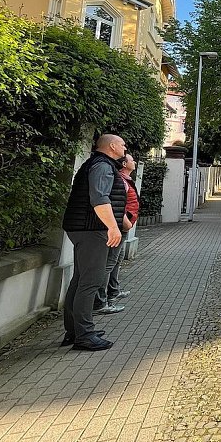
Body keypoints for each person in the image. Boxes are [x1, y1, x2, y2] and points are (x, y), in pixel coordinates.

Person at [60, 133, 128, 350]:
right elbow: (99, 198)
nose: (125, 148)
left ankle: (75, 330)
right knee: (91, 281)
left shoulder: (97, 164)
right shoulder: (102, 166)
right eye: (122, 145)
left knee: (81, 280)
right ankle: (84, 335)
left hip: (83, 227)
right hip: (92, 229)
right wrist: (112, 227)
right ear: (112, 146)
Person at [93, 153, 138, 314]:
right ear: (125, 163)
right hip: (119, 226)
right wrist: (125, 221)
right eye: (132, 160)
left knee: (116, 260)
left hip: (122, 225)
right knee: (109, 263)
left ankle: (112, 291)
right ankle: (100, 301)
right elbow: (118, 201)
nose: (135, 162)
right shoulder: (120, 179)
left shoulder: (125, 179)